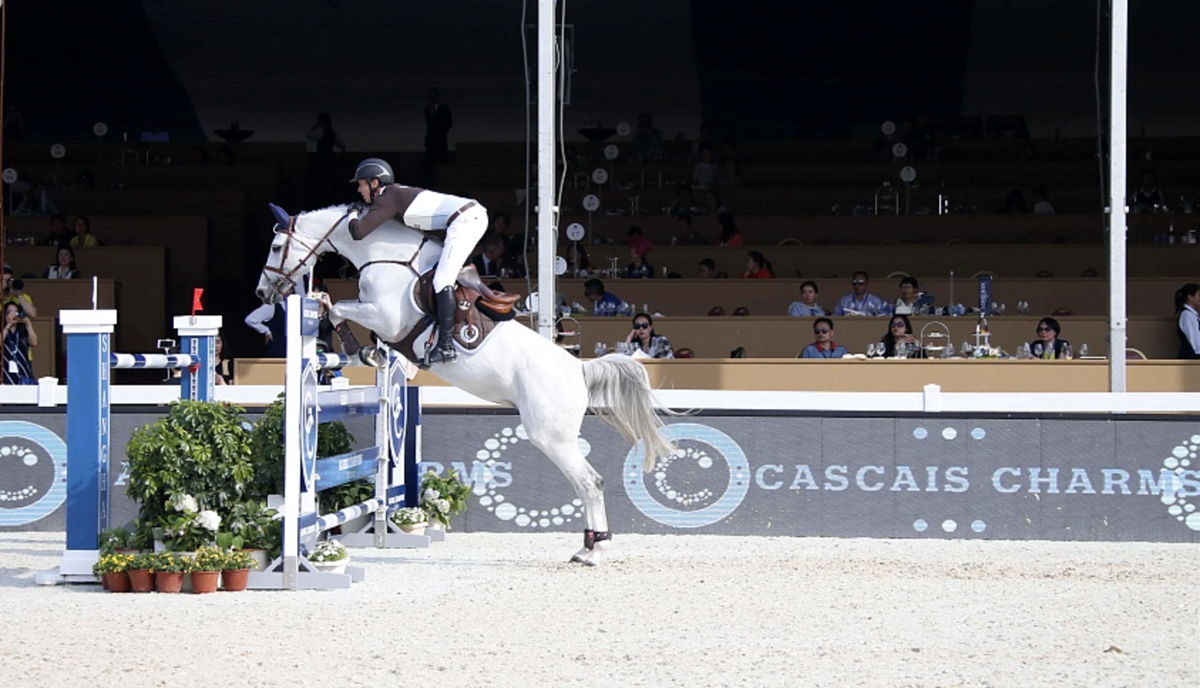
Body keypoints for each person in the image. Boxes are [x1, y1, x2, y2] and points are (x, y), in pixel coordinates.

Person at [346, 157, 487, 365]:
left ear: (374, 183)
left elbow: (358, 232)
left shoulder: (388, 198)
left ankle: (446, 346)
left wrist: (352, 213)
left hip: (465, 220)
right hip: (462, 219)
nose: (359, 190)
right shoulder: (392, 197)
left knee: (442, 281)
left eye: (361, 184)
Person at [2, 302, 37, 385]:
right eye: (10, 312)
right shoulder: (3, 330)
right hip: (5, 370)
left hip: (23, 369)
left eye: (16, 311)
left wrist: (28, 323)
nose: (14, 314)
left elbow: (34, 342)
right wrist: (8, 325)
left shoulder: (22, 330)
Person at [424, 88, 453, 167]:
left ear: (437, 97)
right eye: (430, 96)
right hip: (430, 140)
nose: (431, 98)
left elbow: (449, 123)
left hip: (441, 140)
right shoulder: (427, 110)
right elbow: (429, 125)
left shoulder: (444, 109)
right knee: (430, 163)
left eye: (433, 96)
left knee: (442, 161)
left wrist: (441, 133)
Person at [1174, 283, 1200, 359]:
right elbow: (1196, 343)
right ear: (1190, 297)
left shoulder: (1193, 315)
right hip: (1191, 360)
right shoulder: (1187, 315)